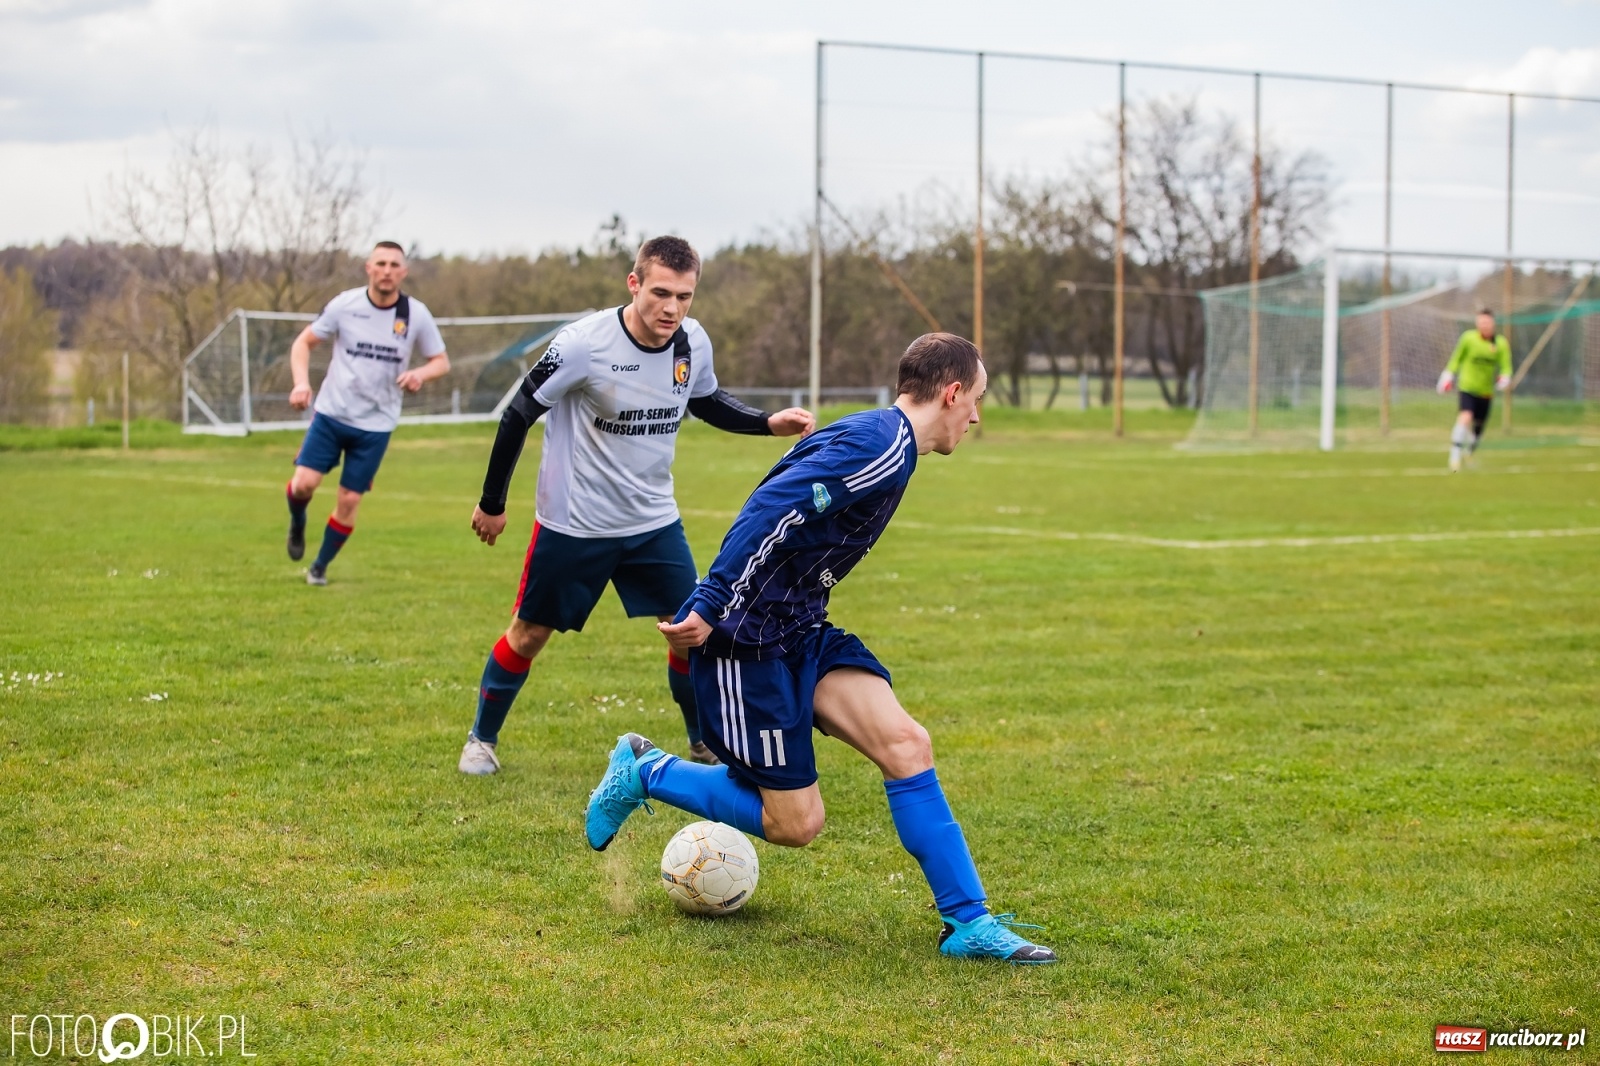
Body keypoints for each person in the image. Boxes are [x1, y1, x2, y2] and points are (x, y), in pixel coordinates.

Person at [583, 333, 1057, 965]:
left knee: (907, 744)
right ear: (950, 393)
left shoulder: (881, 438)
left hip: (800, 625)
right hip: (747, 640)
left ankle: (967, 922)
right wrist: (713, 601)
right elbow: (774, 506)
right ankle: (646, 771)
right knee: (796, 824)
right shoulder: (882, 448)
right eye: (974, 400)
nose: (975, 416)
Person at [458, 236, 815, 776]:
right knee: (529, 634)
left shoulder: (691, 342)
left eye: (685, 296)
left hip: (652, 520)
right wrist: (492, 503)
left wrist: (766, 423)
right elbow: (517, 414)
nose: (671, 308)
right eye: (660, 293)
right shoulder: (583, 344)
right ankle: (481, 740)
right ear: (634, 283)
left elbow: (706, 400)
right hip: (576, 522)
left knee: (692, 627)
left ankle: (705, 741)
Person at [284, 241, 450, 585]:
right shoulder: (345, 305)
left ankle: (319, 566)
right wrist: (301, 383)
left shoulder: (416, 314)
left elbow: (441, 362)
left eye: (394, 265)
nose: (387, 270)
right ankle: (297, 522)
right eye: (381, 263)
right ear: (368, 268)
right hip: (332, 414)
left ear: (403, 272)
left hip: (375, 425)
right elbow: (303, 343)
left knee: (349, 500)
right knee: (303, 485)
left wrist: (419, 374)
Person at [1437, 307, 1513, 472]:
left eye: (1487, 322)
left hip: (1486, 391)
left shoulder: (1500, 343)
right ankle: (1454, 457)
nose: (1484, 325)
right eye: (1481, 322)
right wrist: (1448, 375)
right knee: (1465, 417)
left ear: (1493, 324)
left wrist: (1505, 378)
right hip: (1467, 387)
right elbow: (1456, 358)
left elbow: (1506, 367)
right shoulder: (1468, 339)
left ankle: (1469, 451)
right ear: (1477, 323)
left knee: (1478, 426)